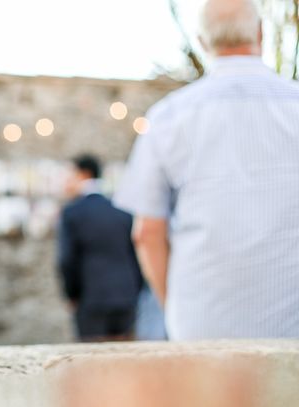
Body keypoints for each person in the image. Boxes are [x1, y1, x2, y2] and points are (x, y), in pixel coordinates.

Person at [115, 0, 299, 340]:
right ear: (260, 32)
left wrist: (176, 309)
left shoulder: (168, 116)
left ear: (202, 41)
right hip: (291, 325)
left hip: (203, 325)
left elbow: (147, 232)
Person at [58, 155, 142, 341]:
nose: (64, 180)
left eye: (69, 174)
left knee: (92, 360)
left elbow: (66, 259)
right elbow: (136, 254)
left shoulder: (72, 212)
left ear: (83, 174)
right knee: (124, 358)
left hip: (91, 297)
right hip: (126, 295)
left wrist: (72, 294)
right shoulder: (122, 211)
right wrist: (136, 289)